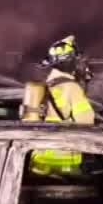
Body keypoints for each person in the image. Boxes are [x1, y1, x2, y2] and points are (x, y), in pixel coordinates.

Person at [25, 35, 96, 178]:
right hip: (64, 163)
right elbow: (87, 123)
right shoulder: (71, 88)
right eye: (76, 60)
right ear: (69, 62)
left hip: (39, 160)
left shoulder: (48, 85)